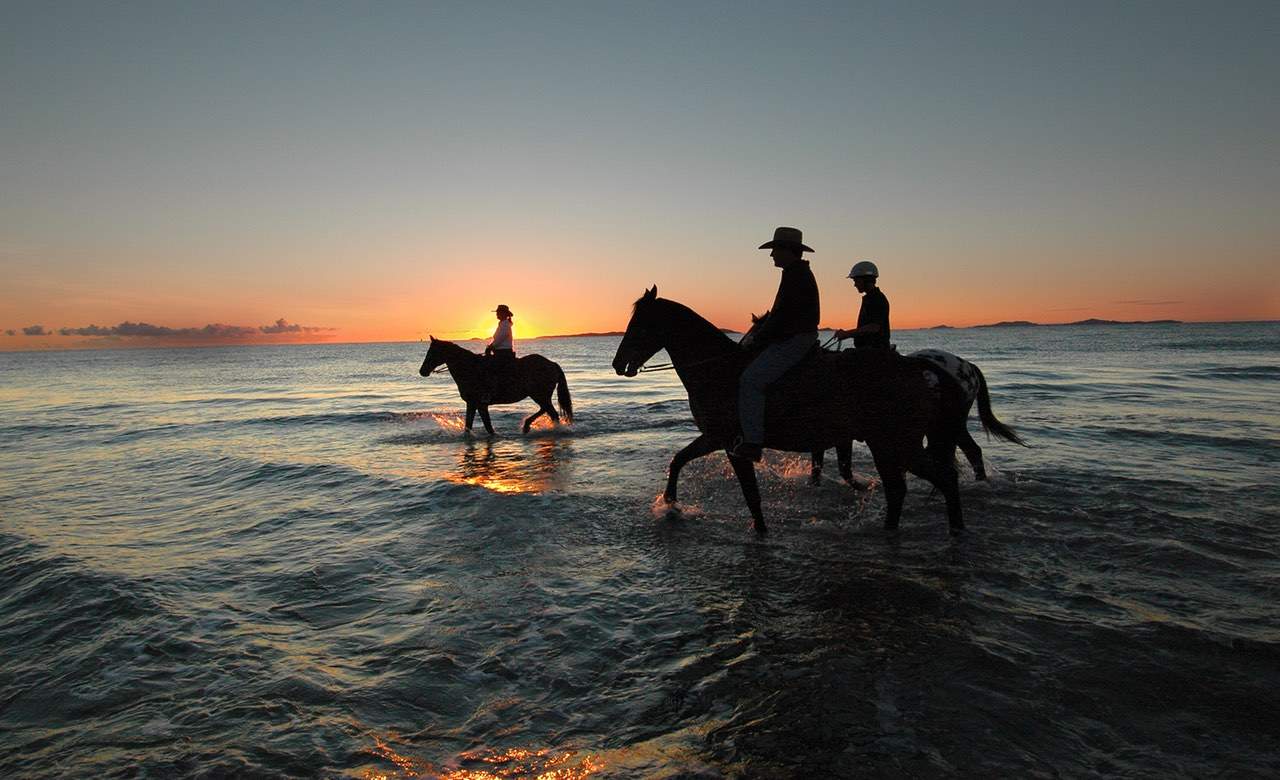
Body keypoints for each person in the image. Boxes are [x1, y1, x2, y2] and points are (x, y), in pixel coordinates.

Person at [731, 227, 820, 462]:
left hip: (795, 339)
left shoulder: (795, 275)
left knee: (750, 381)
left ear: (787, 251)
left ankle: (753, 442)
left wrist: (758, 338)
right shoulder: (795, 272)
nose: (771, 255)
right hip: (796, 336)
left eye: (775, 250)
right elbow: (780, 314)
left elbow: (783, 317)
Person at [834, 261, 890, 349]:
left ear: (865, 280)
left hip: (874, 353)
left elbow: (873, 327)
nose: (855, 284)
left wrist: (846, 334)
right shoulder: (871, 298)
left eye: (856, 280)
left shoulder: (877, 299)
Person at [480, 304, 516, 403]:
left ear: (504, 314)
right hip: (500, 352)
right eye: (497, 312)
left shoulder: (505, 324)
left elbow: (500, 338)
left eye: (498, 312)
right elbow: (497, 339)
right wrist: (490, 346)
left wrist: (491, 347)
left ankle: (490, 393)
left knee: (489, 369)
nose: (497, 314)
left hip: (503, 353)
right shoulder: (502, 323)